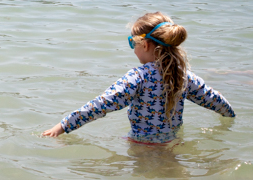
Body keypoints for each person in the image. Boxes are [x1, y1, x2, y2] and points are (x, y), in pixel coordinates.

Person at [42, 12, 235, 143]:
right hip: (172, 144)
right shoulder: (183, 75)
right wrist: (230, 116)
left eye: (132, 42)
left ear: (145, 45)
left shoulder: (138, 77)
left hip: (141, 147)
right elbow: (214, 100)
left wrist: (63, 126)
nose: (132, 48)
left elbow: (102, 104)